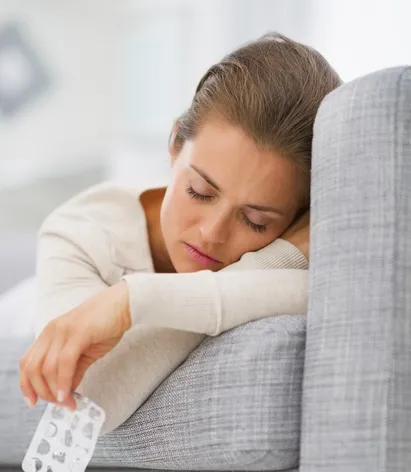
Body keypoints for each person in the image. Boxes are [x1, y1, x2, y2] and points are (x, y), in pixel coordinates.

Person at [19, 33, 341, 433]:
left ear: (297, 218)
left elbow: (323, 295)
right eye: (200, 192)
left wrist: (131, 301)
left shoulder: (295, 246)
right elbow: (86, 399)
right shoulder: (83, 231)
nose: (211, 234)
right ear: (174, 143)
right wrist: (138, 298)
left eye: (255, 221)